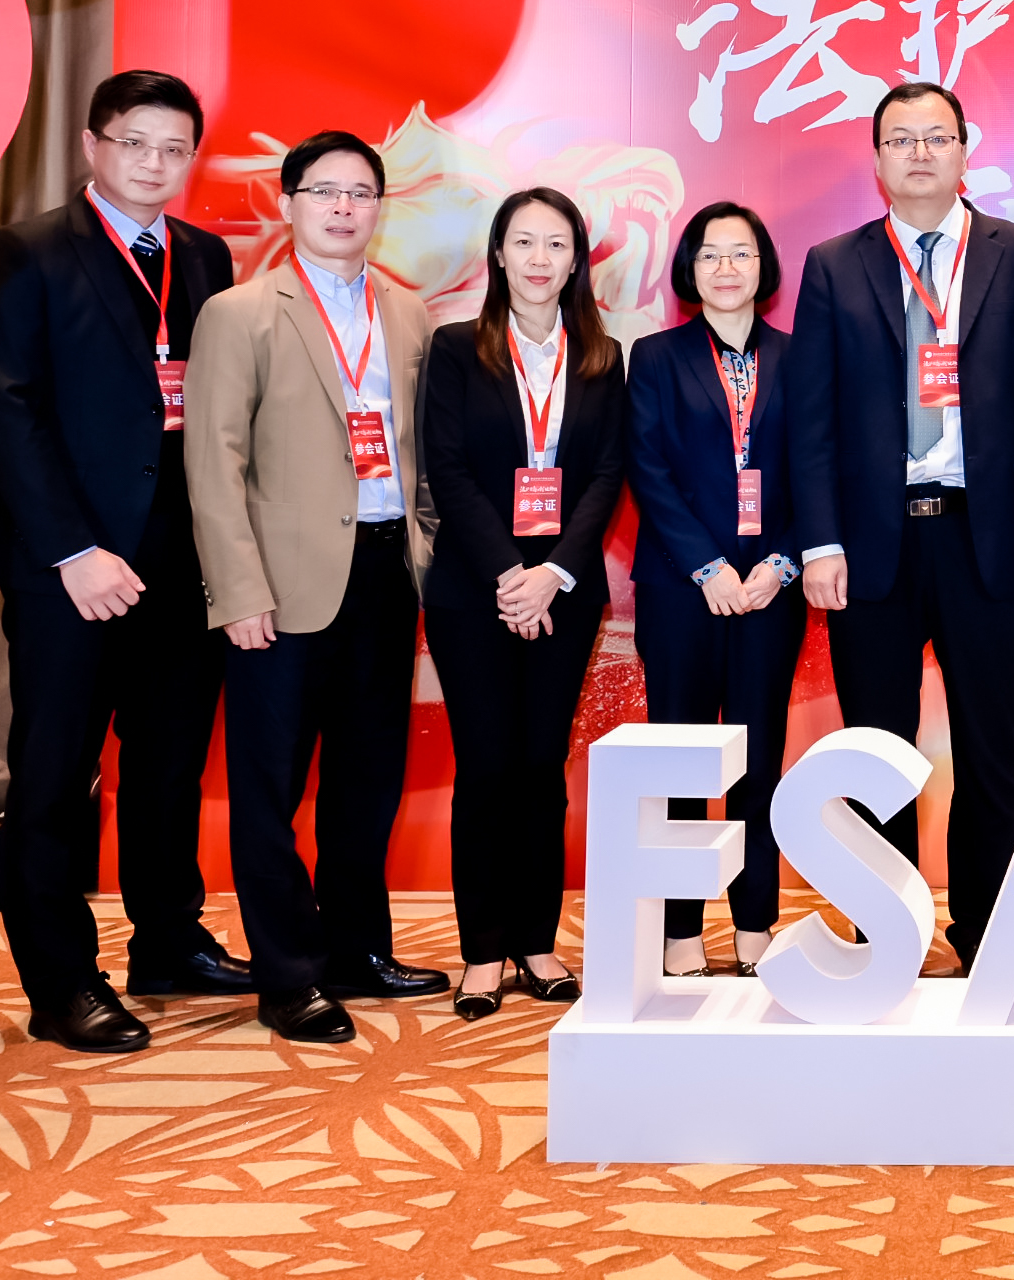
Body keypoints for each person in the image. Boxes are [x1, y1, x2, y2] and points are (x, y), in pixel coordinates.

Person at [0, 70, 248, 1052]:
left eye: (174, 148)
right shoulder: (29, 251)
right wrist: (74, 551)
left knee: (168, 765)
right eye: (135, 142)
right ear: (93, 145)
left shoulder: (205, 256)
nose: (154, 163)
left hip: (181, 558)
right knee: (56, 772)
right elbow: (5, 410)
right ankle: (61, 983)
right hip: (71, 565)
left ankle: (167, 941)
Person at [789, 81, 1014, 972]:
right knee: (879, 746)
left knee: (989, 740)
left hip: (983, 534)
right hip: (872, 541)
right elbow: (811, 418)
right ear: (876, 160)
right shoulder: (835, 263)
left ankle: (988, 929)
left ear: (964, 151)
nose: (919, 153)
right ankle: (890, 930)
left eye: (936, 137)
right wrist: (820, 541)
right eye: (901, 139)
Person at [185, 131, 448, 1043]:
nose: (343, 208)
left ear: (380, 208)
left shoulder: (407, 312)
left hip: (385, 574)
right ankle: (289, 975)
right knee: (269, 789)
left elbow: (421, 452)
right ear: (289, 201)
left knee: (366, 781)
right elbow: (213, 463)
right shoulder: (240, 313)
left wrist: (425, 555)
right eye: (325, 191)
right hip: (281, 586)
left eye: (361, 193)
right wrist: (238, 590)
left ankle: (357, 950)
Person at [420, 188, 629, 1020]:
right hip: (475, 591)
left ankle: (536, 942)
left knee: (542, 769)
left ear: (576, 260)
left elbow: (608, 475)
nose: (540, 259)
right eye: (524, 243)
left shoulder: (603, 356)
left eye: (557, 244)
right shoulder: (454, 348)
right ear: (499, 255)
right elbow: (446, 468)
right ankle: (481, 951)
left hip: (566, 595)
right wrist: (512, 574)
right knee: (485, 769)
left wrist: (554, 575)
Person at [625, 202, 807, 979]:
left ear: (764, 267)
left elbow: (818, 469)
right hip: (681, 589)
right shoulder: (655, 356)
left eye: (741, 253)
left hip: (771, 590)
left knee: (760, 757)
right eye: (709, 254)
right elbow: (647, 468)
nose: (726, 268)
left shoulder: (799, 356)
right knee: (683, 760)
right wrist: (708, 567)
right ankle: (680, 927)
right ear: (688, 270)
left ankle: (755, 919)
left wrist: (780, 563)